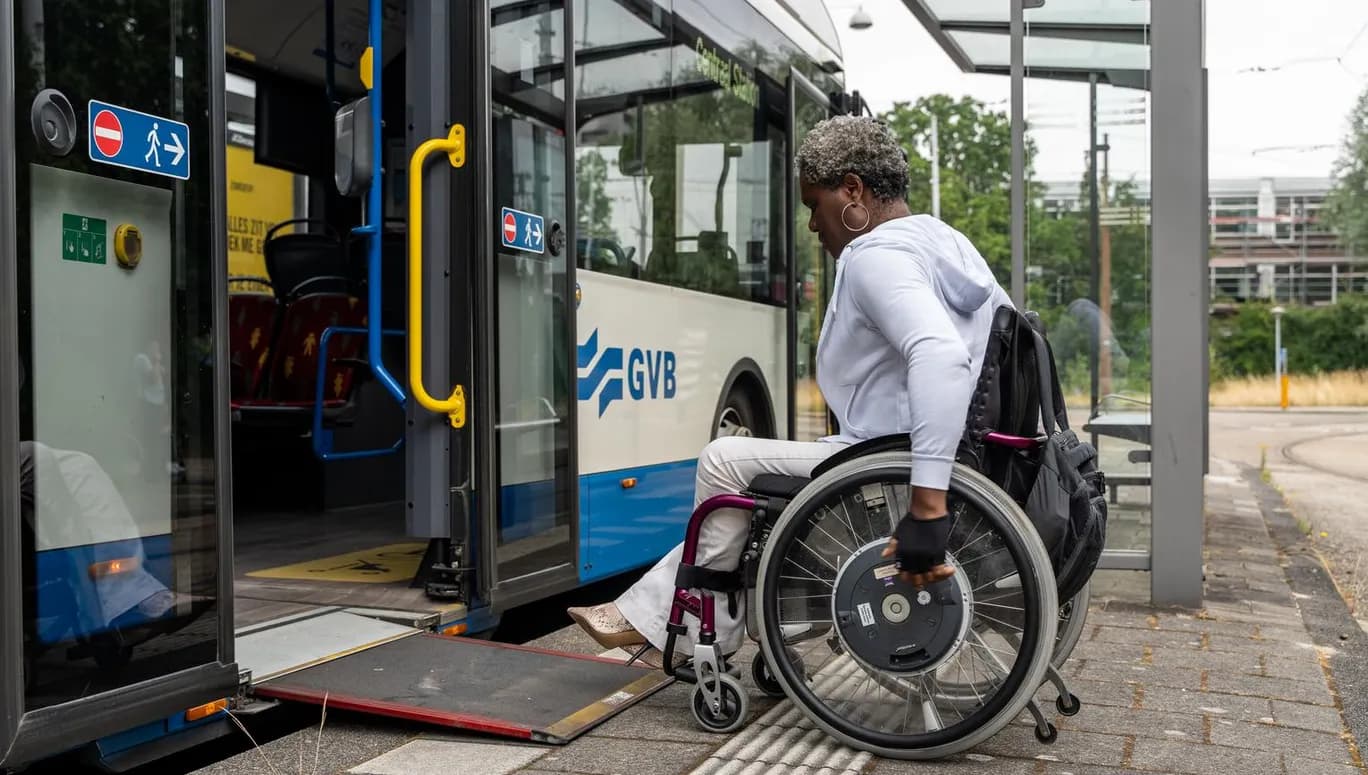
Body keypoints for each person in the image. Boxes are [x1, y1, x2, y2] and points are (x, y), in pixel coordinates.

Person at [568, 115, 1013, 667]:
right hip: (934, 449)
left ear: (852, 190)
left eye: (813, 204)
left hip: (894, 454)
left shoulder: (877, 254)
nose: (811, 225)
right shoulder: (947, 244)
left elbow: (940, 355)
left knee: (723, 460)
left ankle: (699, 633)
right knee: (752, 474)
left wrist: (927, 505)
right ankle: (663, 613)